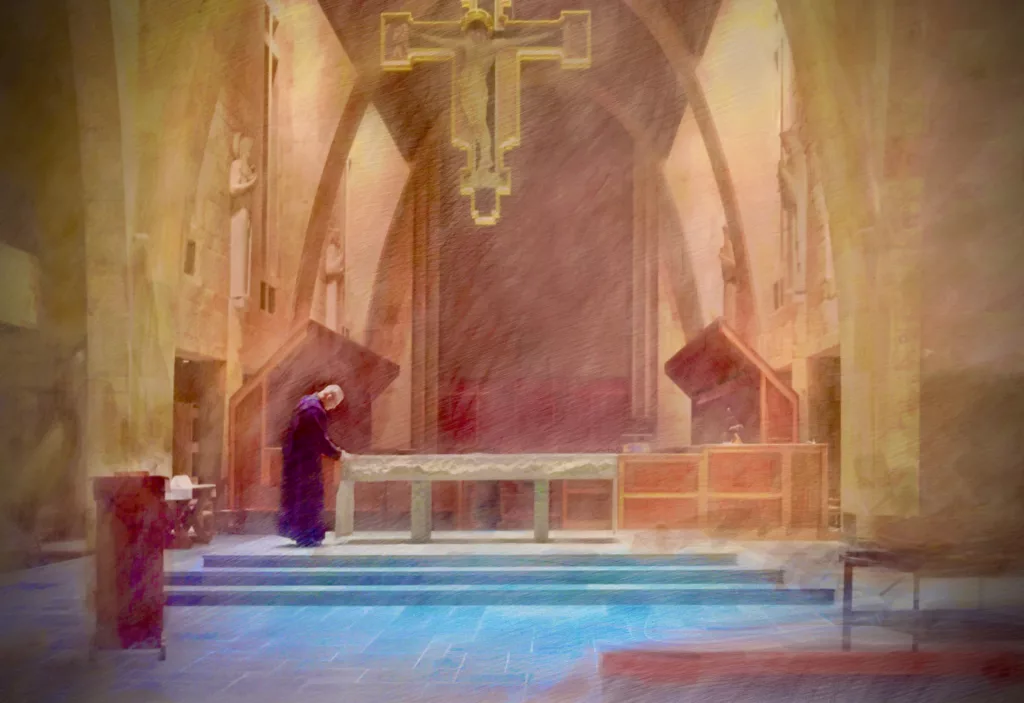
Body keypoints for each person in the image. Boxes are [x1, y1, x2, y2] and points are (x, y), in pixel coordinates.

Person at [415, 16, 559, 175]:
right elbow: (442, 41)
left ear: (486, 32)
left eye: (479, 33)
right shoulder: (466, 44)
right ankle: (483, 158)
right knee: (474, 124)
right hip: (465, 87)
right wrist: (421, 35)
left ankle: (486, 159)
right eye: (472, 33)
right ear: (468, 34)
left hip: (477, 87)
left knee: (480, 124)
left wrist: (548, 35)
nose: (476, 37)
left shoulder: (495, 45)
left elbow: (523, 40)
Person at [278, 385, 344, 547]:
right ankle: (306, 535)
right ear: (328, 396)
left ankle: (305, 533)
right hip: (304, 463)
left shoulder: (306, 403)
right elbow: (319, 439)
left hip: (298, 460)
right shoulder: (313, 410)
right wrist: (338, 454)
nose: (332, 408)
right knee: (307, 498)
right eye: (333, 405)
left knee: (301, 497)